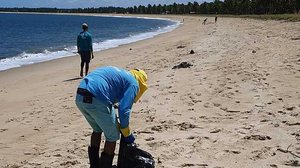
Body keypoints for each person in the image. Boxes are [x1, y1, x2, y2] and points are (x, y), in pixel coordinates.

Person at [75, 66, 148, 168]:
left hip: (80, 95)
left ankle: (94, 165)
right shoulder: (133, 83)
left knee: (97, 129)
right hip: (97, 97)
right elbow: (124, 110)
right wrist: (126, 132)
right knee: (112, 136)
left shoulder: (121, 75)